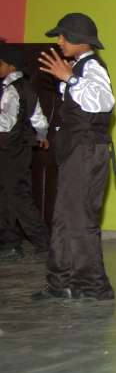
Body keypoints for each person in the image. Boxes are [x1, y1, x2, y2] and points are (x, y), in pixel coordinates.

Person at [34, 13, 115, 301]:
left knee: (80, 219)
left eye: (63, 36)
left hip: (87, 152)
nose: (59, 41)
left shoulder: (91, 66)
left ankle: (94, 287)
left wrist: (69, 77)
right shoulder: (80, 66)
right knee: (64, 218)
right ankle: (62, 282)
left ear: (80, 39)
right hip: (77, 152)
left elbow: (104, 102)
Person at [0, 45, 50, 261]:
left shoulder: (12, 90)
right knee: (7, 196)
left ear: (11, 66)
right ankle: (11, 242)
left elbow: (6, 123)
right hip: (17, 149)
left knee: (16, 195)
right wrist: (41, 134)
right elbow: (38, 117)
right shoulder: (25, 87)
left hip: (10, 148)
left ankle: (42, 241)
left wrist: (40, 134)